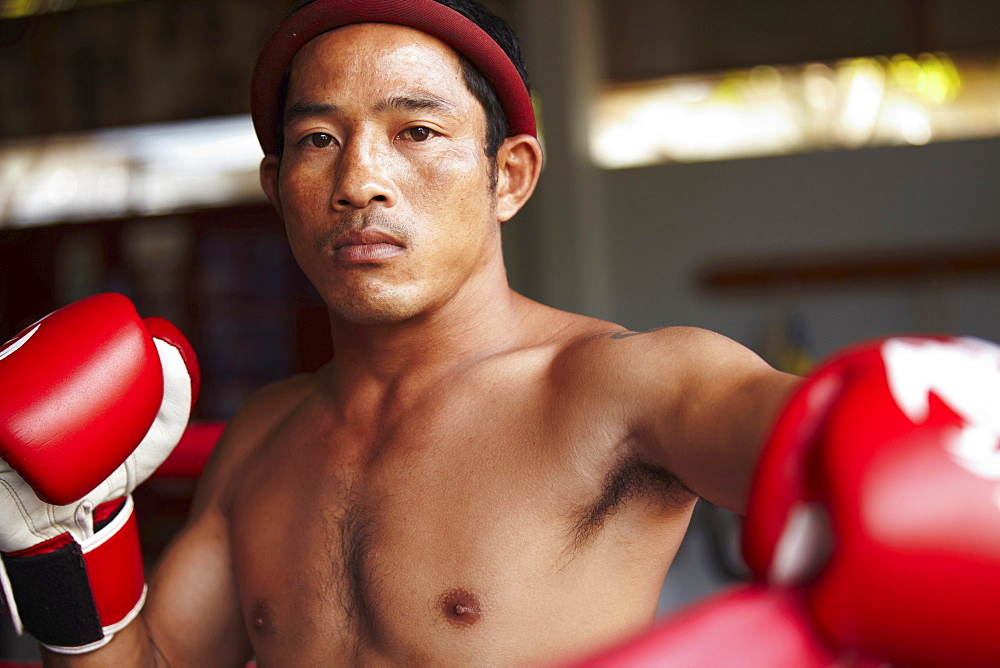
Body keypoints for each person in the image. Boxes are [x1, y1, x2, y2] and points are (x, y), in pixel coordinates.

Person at [11, 0, 803, 664]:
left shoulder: (627, 386)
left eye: (416, 132)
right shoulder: (262, 438)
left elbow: (832, 438)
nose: (359, 183)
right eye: (318, 139)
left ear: (511, 176)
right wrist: (63, 546)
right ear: (276, 187)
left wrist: (878, 432)